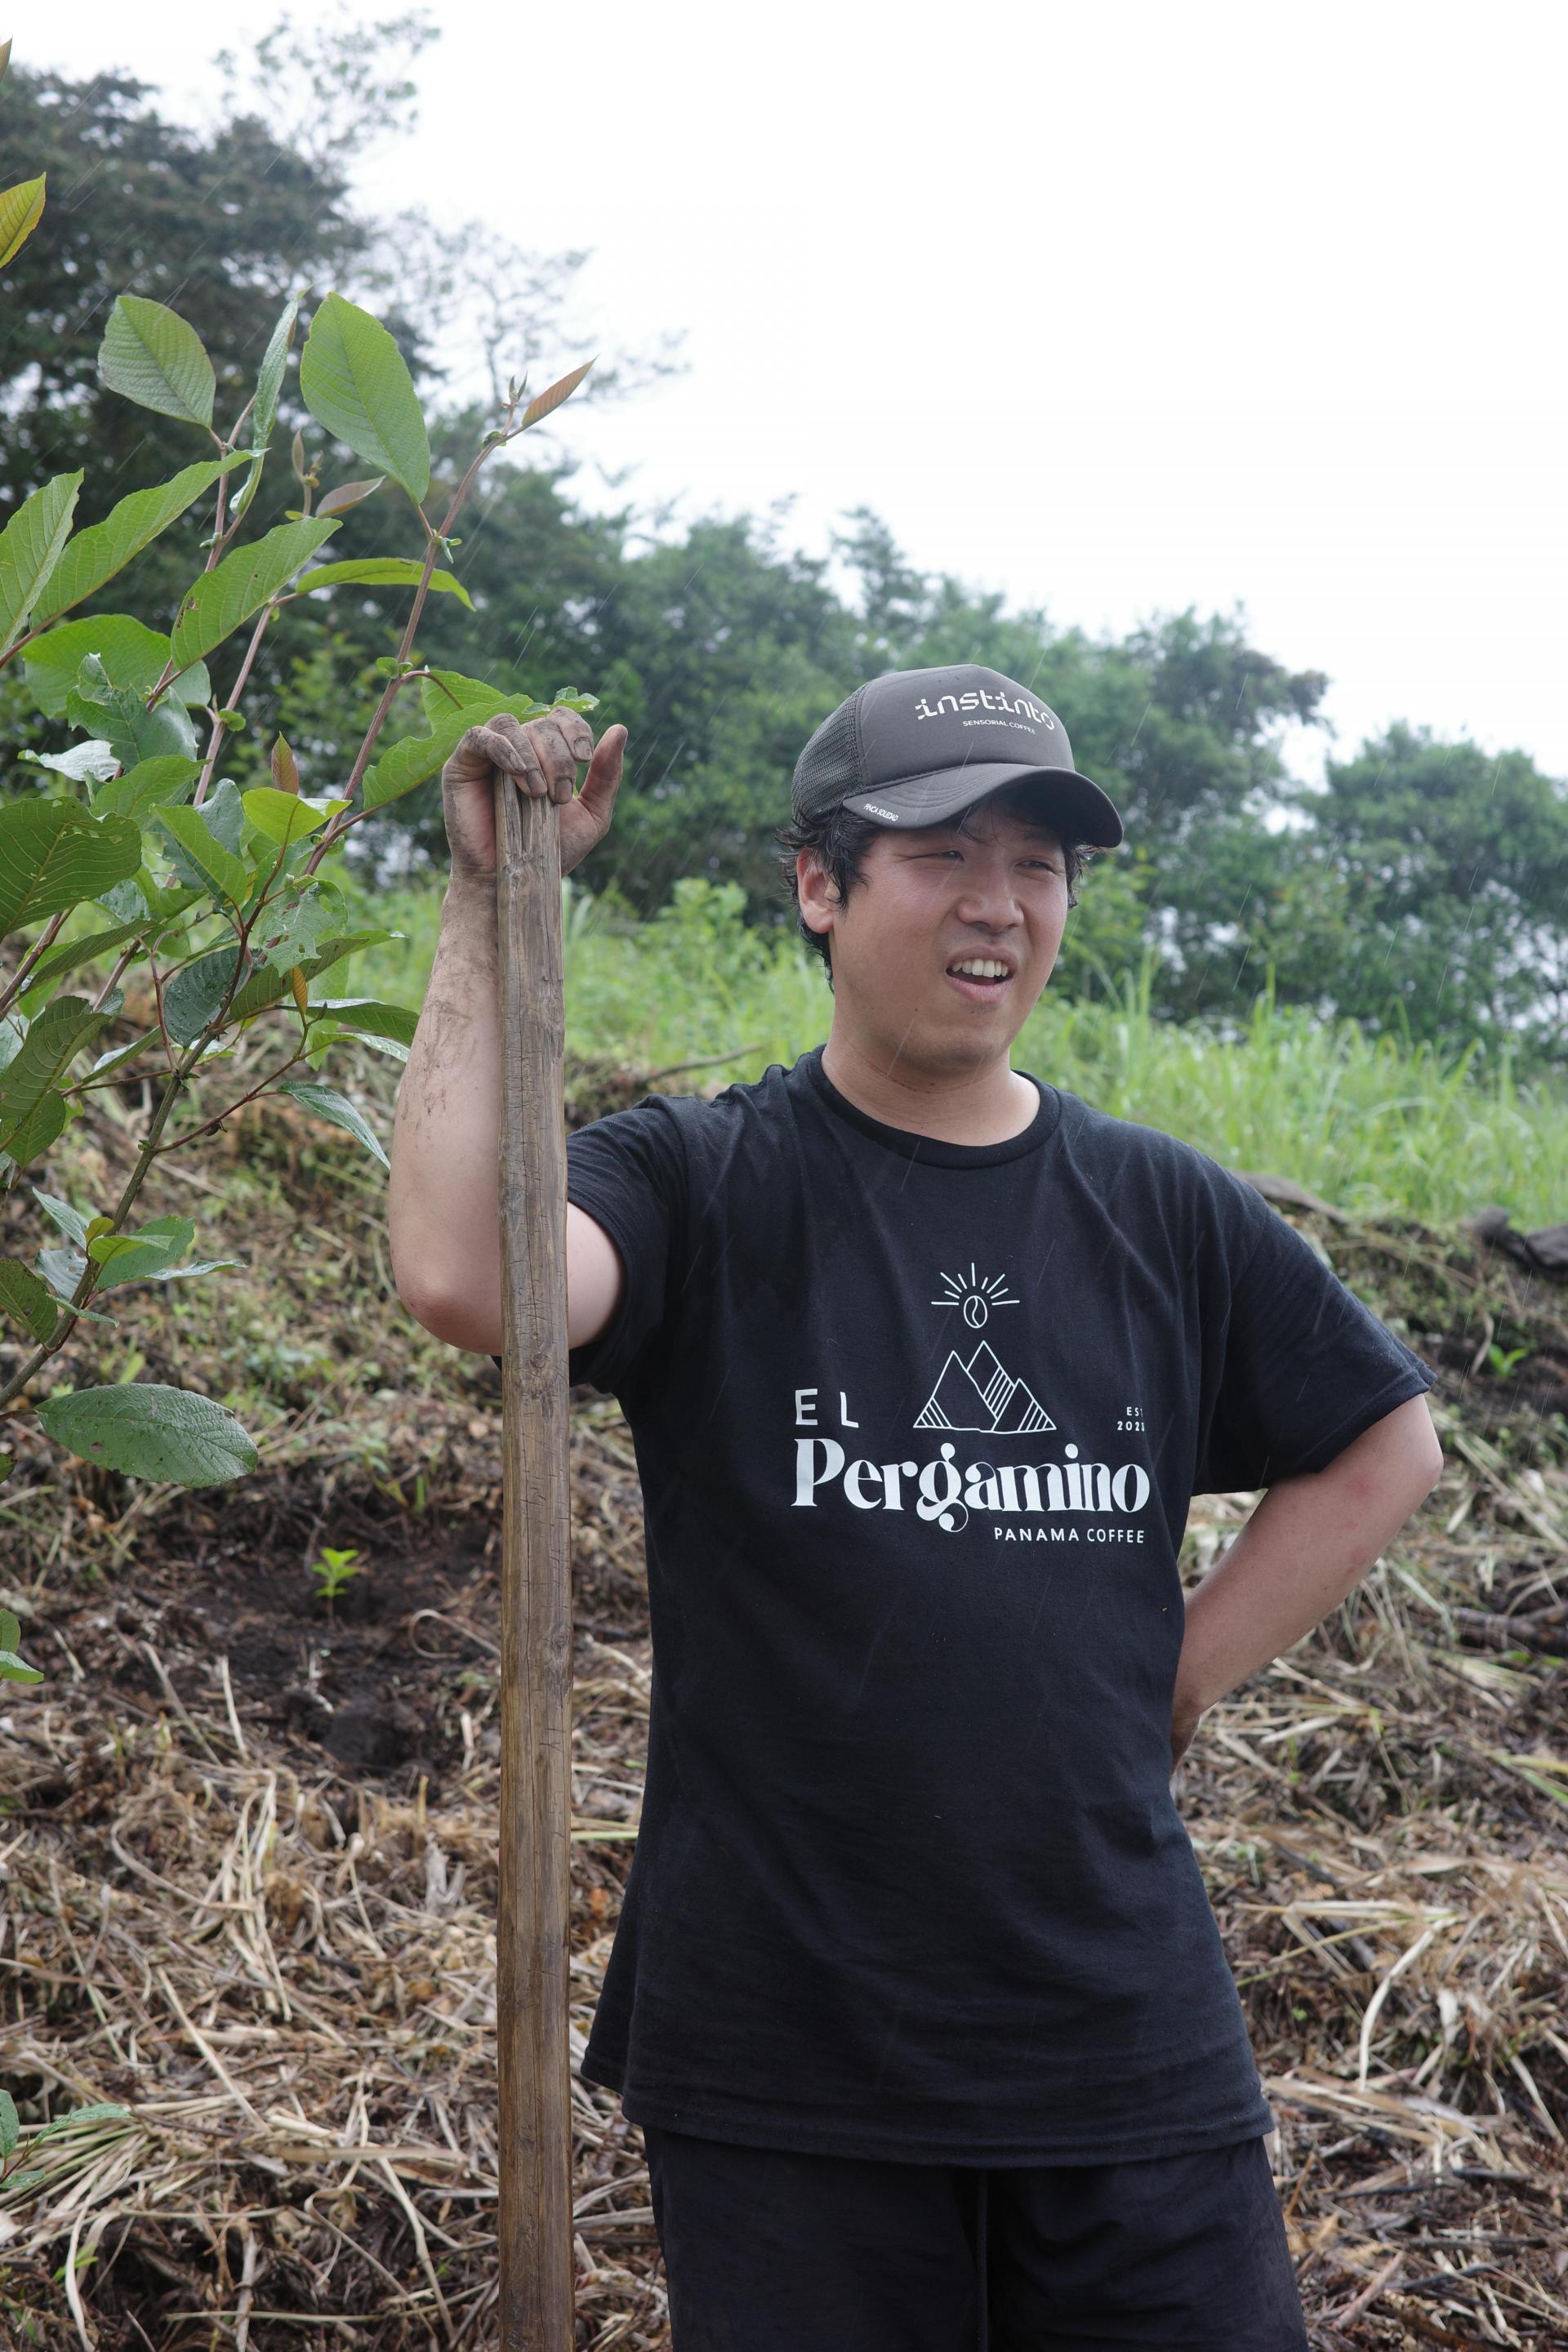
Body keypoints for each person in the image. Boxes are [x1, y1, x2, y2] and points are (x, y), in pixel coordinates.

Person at [388, 662, 1442, 2350]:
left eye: (1040, 864)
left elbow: (1386, 1443)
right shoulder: (708, 1179)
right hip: (794, 2047)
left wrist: (1179, 1672)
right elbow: (467, 1274)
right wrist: (485, 904)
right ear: (820, 884)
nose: (999, 905)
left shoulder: (1160, 1208)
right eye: (945, 854)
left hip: (1124, 2041)